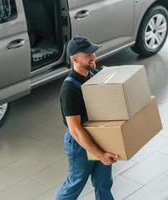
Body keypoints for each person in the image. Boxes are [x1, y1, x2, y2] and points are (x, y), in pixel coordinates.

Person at [55, 36, 118, 200]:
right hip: (79, 144)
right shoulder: (69, 89)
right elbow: (75, 129)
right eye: (88, 54)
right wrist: (99, 154)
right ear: (74, 58)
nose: (93, 57)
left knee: (104, 182)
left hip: (99, 135)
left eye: (93, 53)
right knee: (75, 184)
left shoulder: (93, 74)